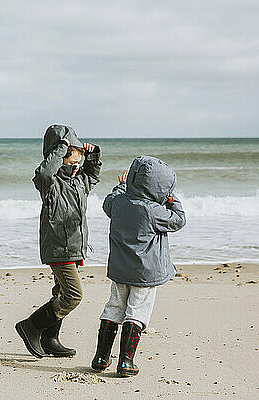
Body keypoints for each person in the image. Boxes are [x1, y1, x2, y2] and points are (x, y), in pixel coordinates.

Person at [91, 156, 186, 377]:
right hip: (145, 273)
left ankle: (101, 357)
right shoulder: (154, 211)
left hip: (119, 270)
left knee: (114, 306)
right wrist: (172, 199)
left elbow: (109, 199)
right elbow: (179, 220)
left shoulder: (118, 203)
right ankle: (125, 361)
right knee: (137, 311)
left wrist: (122, 185)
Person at [15, 124, 102, 358]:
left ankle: (50, 339)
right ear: (58, 155)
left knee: (60, 292)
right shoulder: (49, 184)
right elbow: (44, 172)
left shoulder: (80, 181)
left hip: (75, 247)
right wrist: (63, 146)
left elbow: (93, 173)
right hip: (57, 247)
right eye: (70, 159)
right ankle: (31, 325)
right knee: (73, 295)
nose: (76, 164)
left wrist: (93, 155)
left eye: (78, 160)